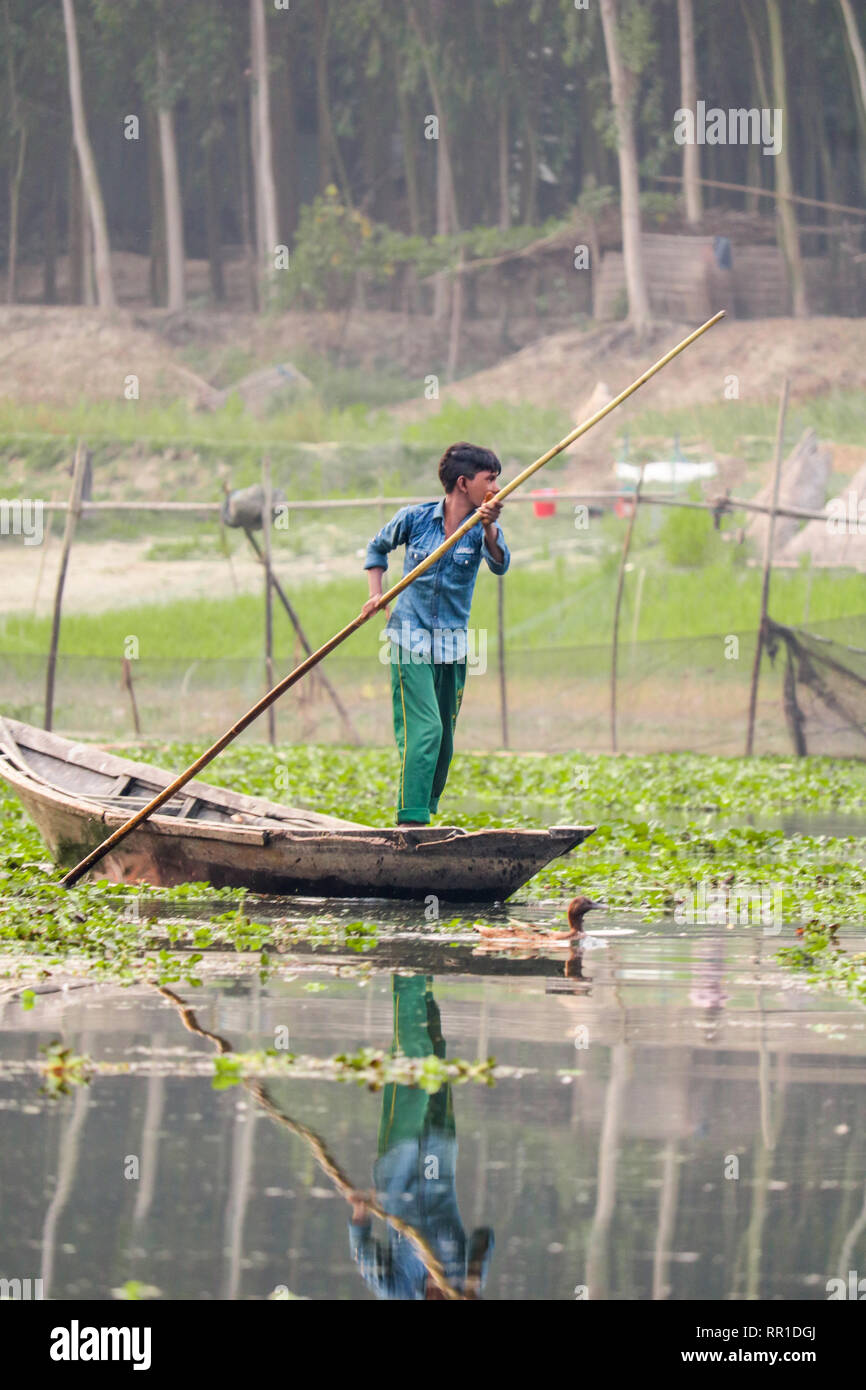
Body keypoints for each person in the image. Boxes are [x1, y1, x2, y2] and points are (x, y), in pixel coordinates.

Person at [361, 442, 510, 825]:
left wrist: (489, 524)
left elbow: (500, 564)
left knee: (444, 741)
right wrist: (377, 596)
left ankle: (424, 813)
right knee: (425, 730)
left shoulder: (482, 528)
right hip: (409, 641)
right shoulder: (414, 519)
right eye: (489, 479)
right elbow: (377, 549)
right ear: (463, 483)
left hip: (454, 647)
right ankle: (411, 823)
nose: (496, 487)